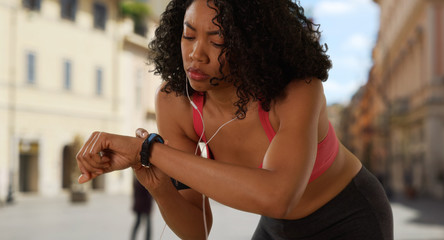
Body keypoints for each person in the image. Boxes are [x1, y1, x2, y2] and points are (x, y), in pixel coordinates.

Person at [76, 0, 393, 239]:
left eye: (217, 40)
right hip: (277, 227)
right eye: (189, 36)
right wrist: (158, 184)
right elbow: (197, 230)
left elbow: (277, 196)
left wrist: (150, 150)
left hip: (348, 215)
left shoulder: (299, 90)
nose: (197, 54)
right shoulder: (176, 102)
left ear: (253, 43)